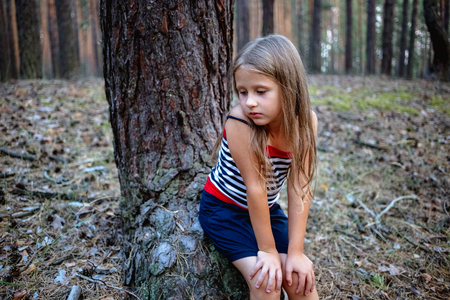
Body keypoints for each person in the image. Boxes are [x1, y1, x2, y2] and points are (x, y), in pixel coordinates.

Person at [198, 34, 319, 300]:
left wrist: (295, 253)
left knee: (299, 281)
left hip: (268, 210)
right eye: (243, 92)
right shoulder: (239, 122)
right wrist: (268, 251)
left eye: (260, 91)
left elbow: (300, 187)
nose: (250, 102)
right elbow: (255, 187)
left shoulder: (306, 122)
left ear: (288, 87)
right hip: (224, 209)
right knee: (267, 284)